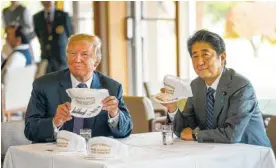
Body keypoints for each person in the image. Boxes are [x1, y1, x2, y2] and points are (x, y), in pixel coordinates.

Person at [162, 29, 271, 147]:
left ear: (222, 57)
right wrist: (173, 108)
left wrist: (195, 135)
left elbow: (231, 135)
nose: (199, 62)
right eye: (195, 56)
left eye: (205, 55)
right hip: (216, 151)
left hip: (250, 154)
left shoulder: (241, 86)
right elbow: (184, 130)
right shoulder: (195, 86)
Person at [24, 34, 133, 143]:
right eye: (72, 53)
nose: (77, 59)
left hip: (95, 153)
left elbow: (125, 131)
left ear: (96, 61)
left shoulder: (112, 87)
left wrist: (115, 114)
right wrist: (55, 121)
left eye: (84, 54)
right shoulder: (44, 85)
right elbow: (30, 130)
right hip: (58, 153)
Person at [33, 1, 74, 73]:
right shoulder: (37, 17)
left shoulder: (64, 15)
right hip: (45, 56)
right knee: (47, 81)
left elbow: (71, 36)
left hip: (61, 57)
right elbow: (38, 35)